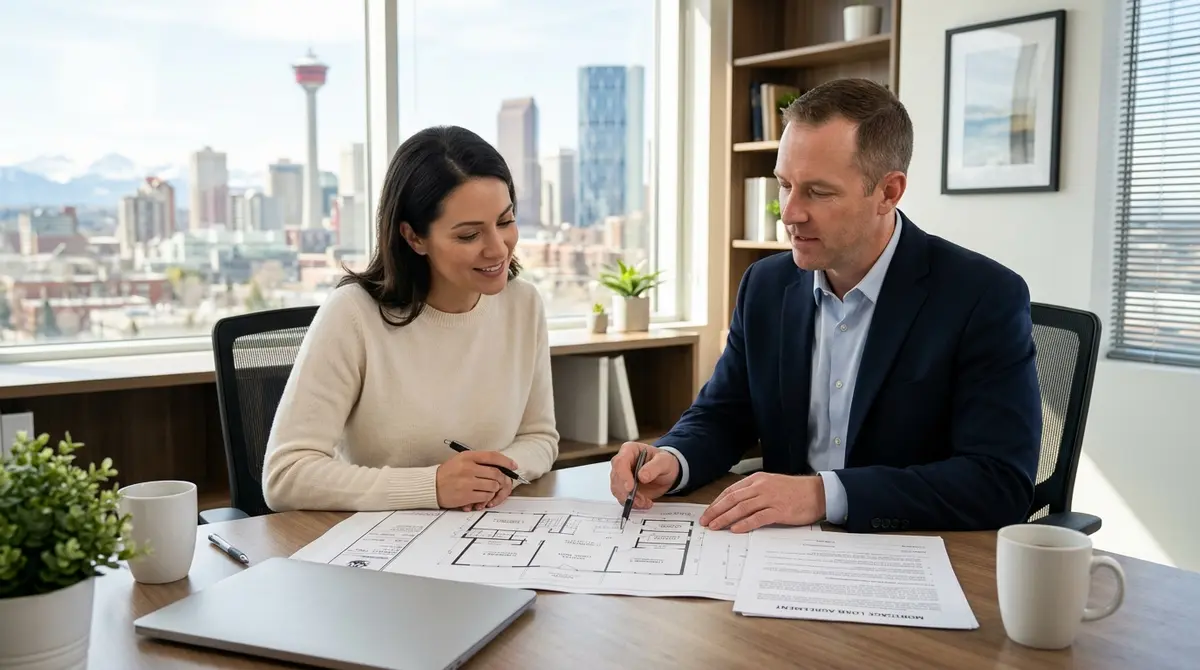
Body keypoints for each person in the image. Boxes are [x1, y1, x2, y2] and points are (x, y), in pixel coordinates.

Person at [609, 78, 1041, 534]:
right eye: (784, 185)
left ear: (888, 193)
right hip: (781, 552)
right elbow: (724, 414)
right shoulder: (766, 284)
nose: (790, 213)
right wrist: (672, 460)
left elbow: (999, 483)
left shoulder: (982, 296)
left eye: (818, 192)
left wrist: (824, 494)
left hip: (912, 558)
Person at [263, 125, 558, 513]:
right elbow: (286, 475)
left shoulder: (523, 305)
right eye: (469, 235)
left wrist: (499, 474)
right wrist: (431, 487)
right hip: (371, 549)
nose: (497, 247)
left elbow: (539, 437)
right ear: (414, 237)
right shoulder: (353, 314)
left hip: (480, 533)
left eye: (505, 222)